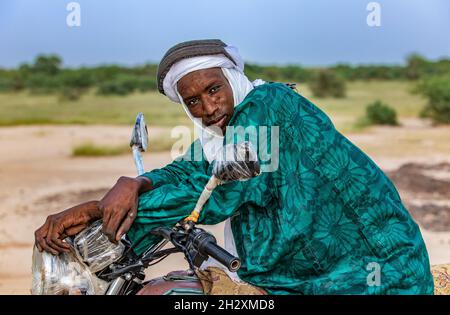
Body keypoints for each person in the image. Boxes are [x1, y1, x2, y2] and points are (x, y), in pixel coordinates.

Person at [35, 39, 434, 294]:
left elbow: (218, 189)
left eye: (213, 89)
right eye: (192, 101)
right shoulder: (226, 132)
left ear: (232, 79)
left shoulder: (268, 106)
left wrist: (96, 212)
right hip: (308, 269)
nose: (208, 109)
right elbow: (191, 169)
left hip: (371, 271)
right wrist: (134, 182)